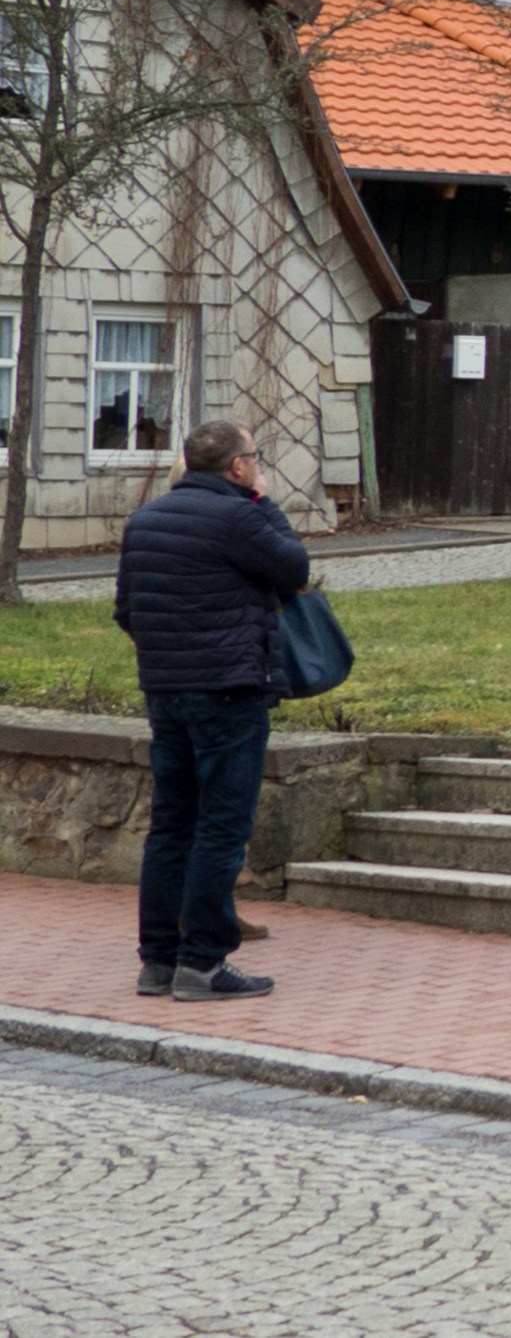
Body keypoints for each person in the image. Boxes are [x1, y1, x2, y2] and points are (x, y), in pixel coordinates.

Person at [110, 420, 308, 1002]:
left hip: (165, 691)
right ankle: (202, 963)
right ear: (238, 467)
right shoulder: (241, 516)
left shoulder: (145, 520)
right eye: (255, 457)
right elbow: (294, 571)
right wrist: (266, 504)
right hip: (227, 692)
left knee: (171, 826)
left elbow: (127, 611)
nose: (258, 465)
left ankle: (157, 962)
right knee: (221, 830)